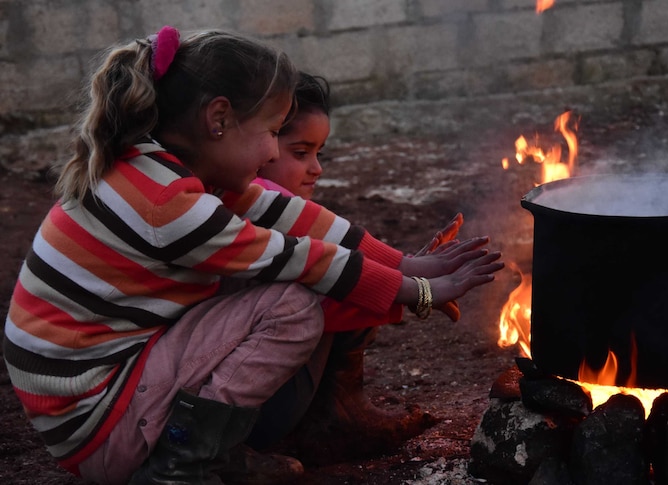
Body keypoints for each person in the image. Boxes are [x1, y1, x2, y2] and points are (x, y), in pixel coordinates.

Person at [2, 26, 504, 485]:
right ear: (219, 118)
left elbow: (293, 217)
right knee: (289, 306)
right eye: (270, 131)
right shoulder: (168, 205)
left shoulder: (158, 169)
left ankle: (294, 427)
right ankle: (183, 465)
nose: (272, 153)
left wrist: (404, 263)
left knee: (300, 276)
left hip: (94, 403)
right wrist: (419, 293)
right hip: (100, 427)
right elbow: (302, 257)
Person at [247, 72, 464, 465]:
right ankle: (331, 420)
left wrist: (403, 275)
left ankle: (338, 411)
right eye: (300, 153)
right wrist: (409, 290)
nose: (316, 168)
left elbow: (344, 252)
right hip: (258, 416)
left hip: (257, 403)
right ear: (259, 141)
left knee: (350, 272)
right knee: (341, 280)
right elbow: (335, 282)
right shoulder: (256, 205)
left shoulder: (250, 199)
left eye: (319, 154)